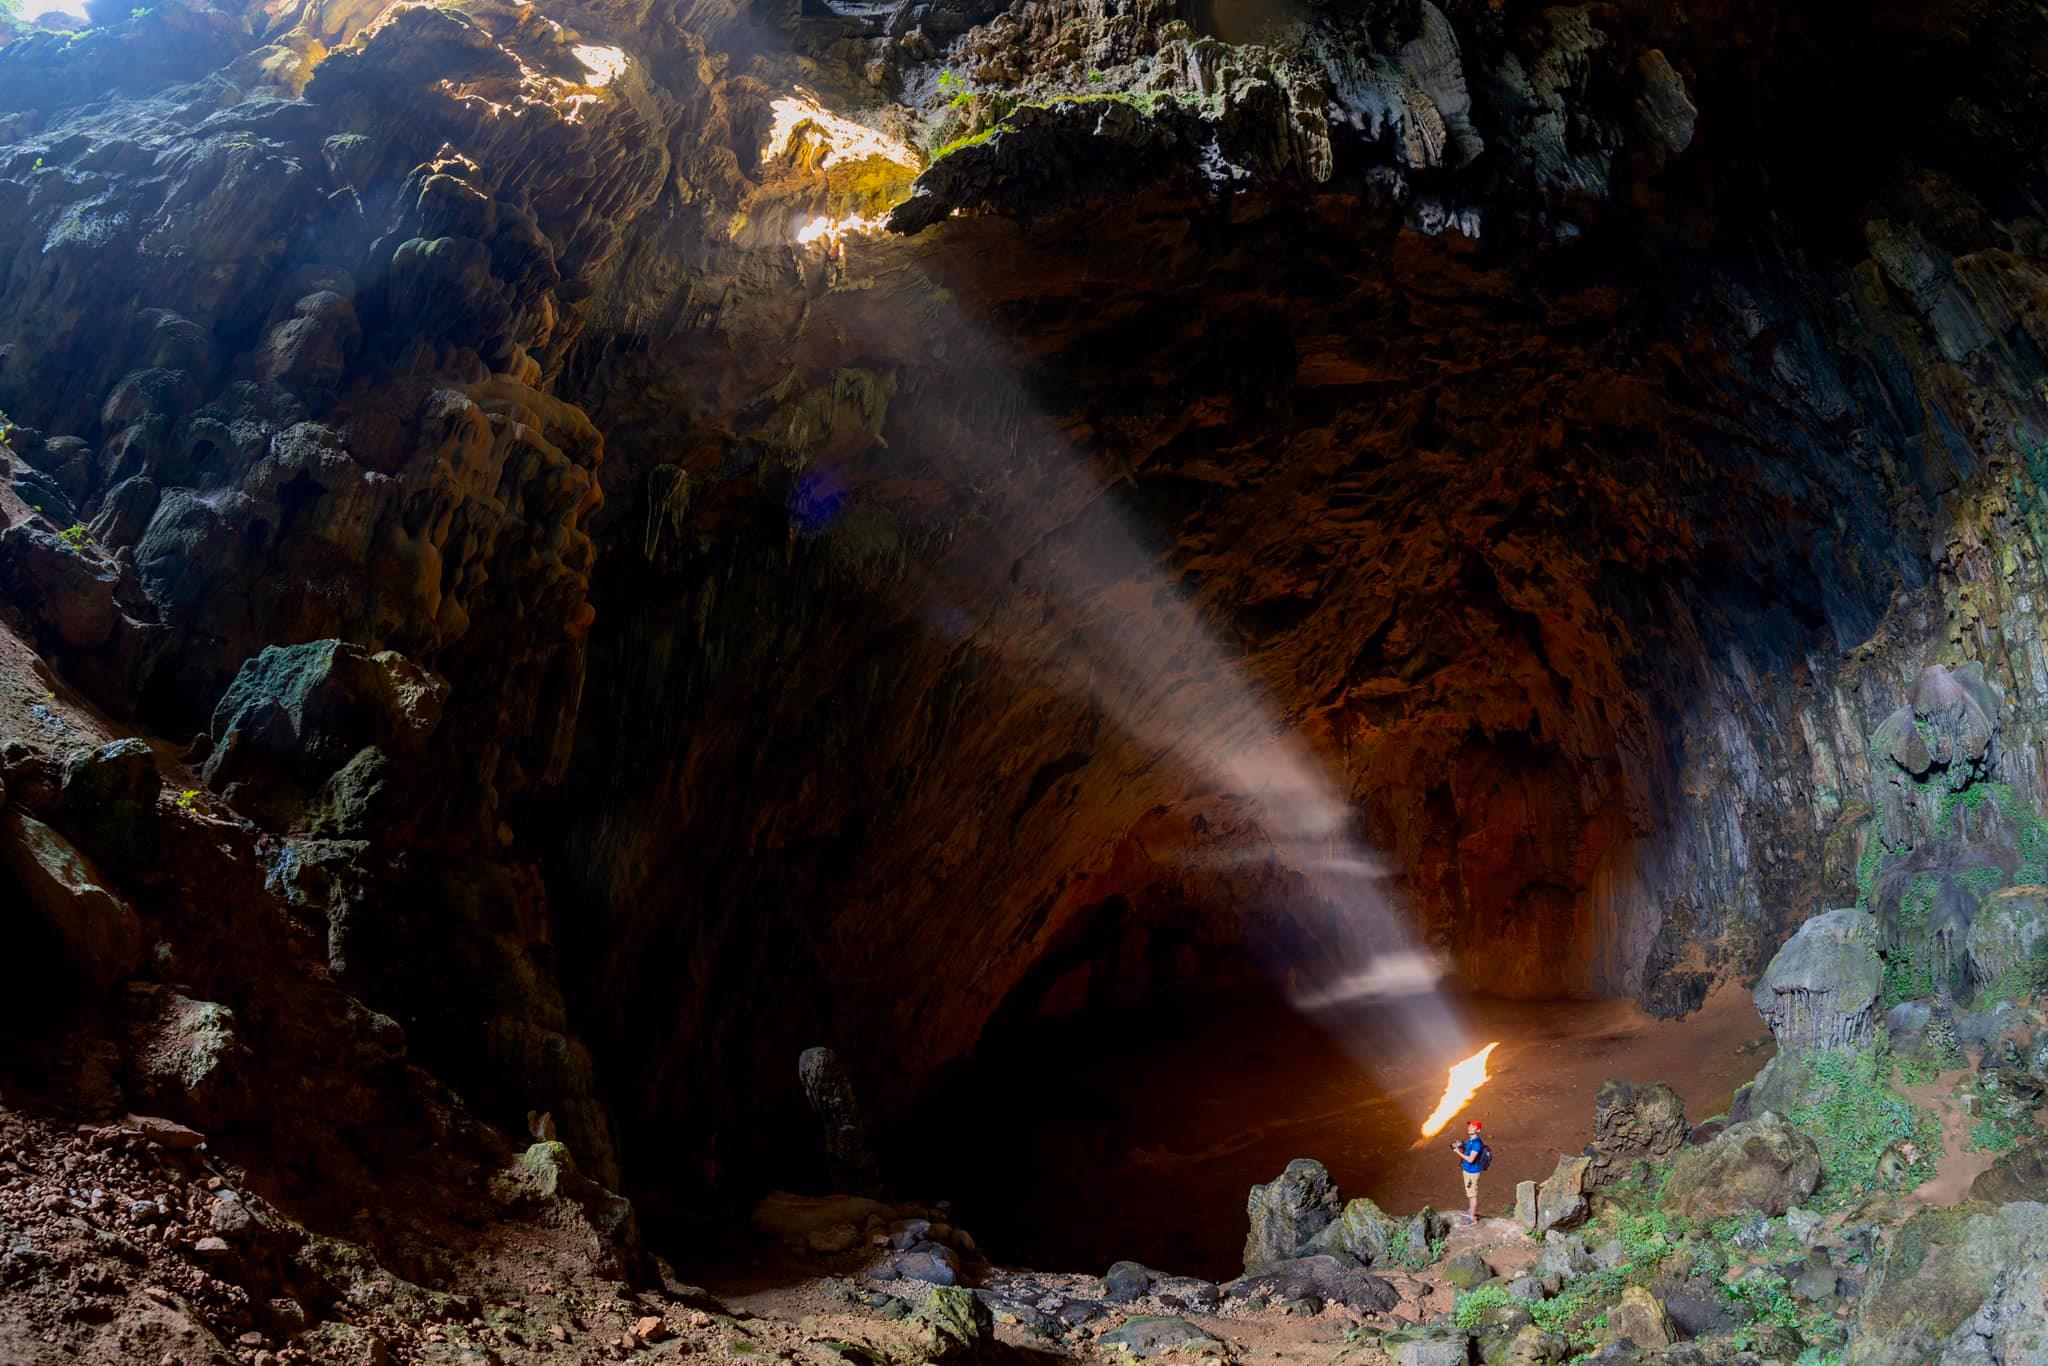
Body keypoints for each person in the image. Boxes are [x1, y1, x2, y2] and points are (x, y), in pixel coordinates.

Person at [1449, 1119, 1484, 1224]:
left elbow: (1470, 1159)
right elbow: (1468, 1152)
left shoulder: (1477, 1144)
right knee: (1469, 1193)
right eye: (1469, 1126)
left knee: (1472, 1195)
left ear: (1478, 1130)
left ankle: (1472, 1219)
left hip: (1472, 1172)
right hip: (1467, 1170)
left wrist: (1457, 1152)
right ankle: (1470, 1211)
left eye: (1473, 1127)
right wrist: (1462, 1146)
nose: (1469, 1128)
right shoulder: (1470, 1140)